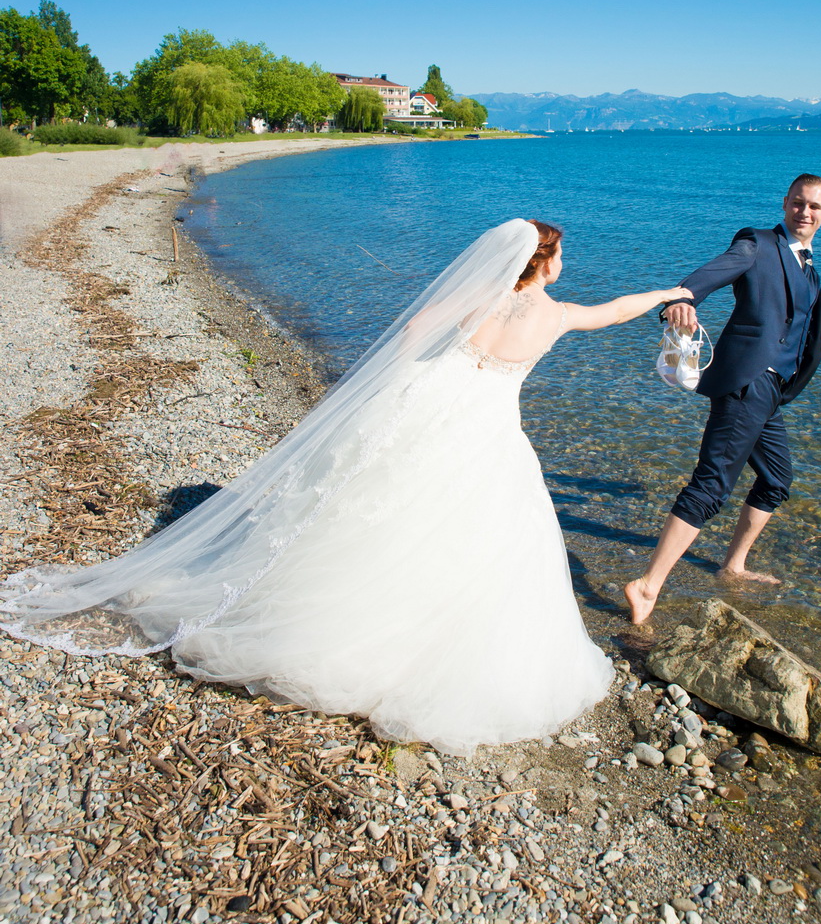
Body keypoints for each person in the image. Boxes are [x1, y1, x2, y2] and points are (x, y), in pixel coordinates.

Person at [2, 218, 690, 756]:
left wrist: (406, 389)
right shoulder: (558, 313)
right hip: (486, 425)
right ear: (545, 265)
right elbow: (616, 311)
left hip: (431, 402)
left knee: (375, 512)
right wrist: (667, 294)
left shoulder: (475, 298)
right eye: (560, 255)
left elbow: (416, 330)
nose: (564, 265)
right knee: (475, 533)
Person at [624, 174, 821, 625]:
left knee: (777, 480)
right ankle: (647, 586)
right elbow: (706, 277)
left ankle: (733, 565)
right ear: (785, 204)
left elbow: (815, 303)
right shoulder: (756, 243)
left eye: (814, 207)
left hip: (770, 390)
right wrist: (680, 302)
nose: (805, 212)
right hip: (746, 382)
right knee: (711, 485)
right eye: (798, 203)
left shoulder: (806, 265)